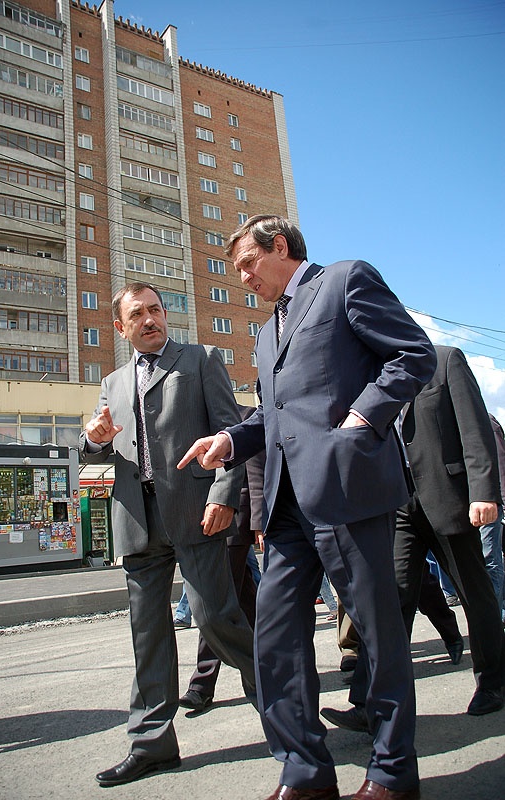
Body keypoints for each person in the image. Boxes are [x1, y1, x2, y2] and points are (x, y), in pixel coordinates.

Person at [178, 215, 437, 800]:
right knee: (274, 639)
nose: (244, 278)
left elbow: (412, 354)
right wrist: (230, 440)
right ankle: (305, 773)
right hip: (285, 507)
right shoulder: (267, 332)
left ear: (280, 246)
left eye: (249, 263)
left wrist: (362, 418)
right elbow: (272, 417)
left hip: (347, 489)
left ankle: (393, 774)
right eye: (237, 270)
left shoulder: (344, 281)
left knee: (378, 635)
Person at [79, 282, 256, 788]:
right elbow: (95, 449)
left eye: (155, 309)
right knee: (148, 635)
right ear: (121, 327)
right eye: (138, 314)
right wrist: (91, 439)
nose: (150, 319)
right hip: (138, 521)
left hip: (195, 512)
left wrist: (224, 495)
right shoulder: (112, 383)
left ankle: (285, 704)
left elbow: (230, 432)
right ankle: (151, 745)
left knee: (215, 617)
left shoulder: (200, 360)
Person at [323, 346, 505, 735]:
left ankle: (494, 683)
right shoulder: (371, 378)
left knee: (475, 594)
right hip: (398, 504)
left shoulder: (445, 360)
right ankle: (370, 704)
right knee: (389, 602)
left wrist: (484, 492)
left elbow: (475, 430)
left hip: (450, 498)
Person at [180, 403, 265, 713]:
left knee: (215, 602)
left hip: (235, 520)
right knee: (245, 599)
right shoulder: (193, 422)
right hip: (202, 519)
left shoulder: (246, 416)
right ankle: (267, 663)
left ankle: (201, 685)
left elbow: (255, 472)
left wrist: (258, 521)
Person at [479, 414, 505, 613]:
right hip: (471, 502)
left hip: (489, 499)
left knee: (489, 559)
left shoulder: (485, 422)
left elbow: (501, 463)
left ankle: (495, 615)